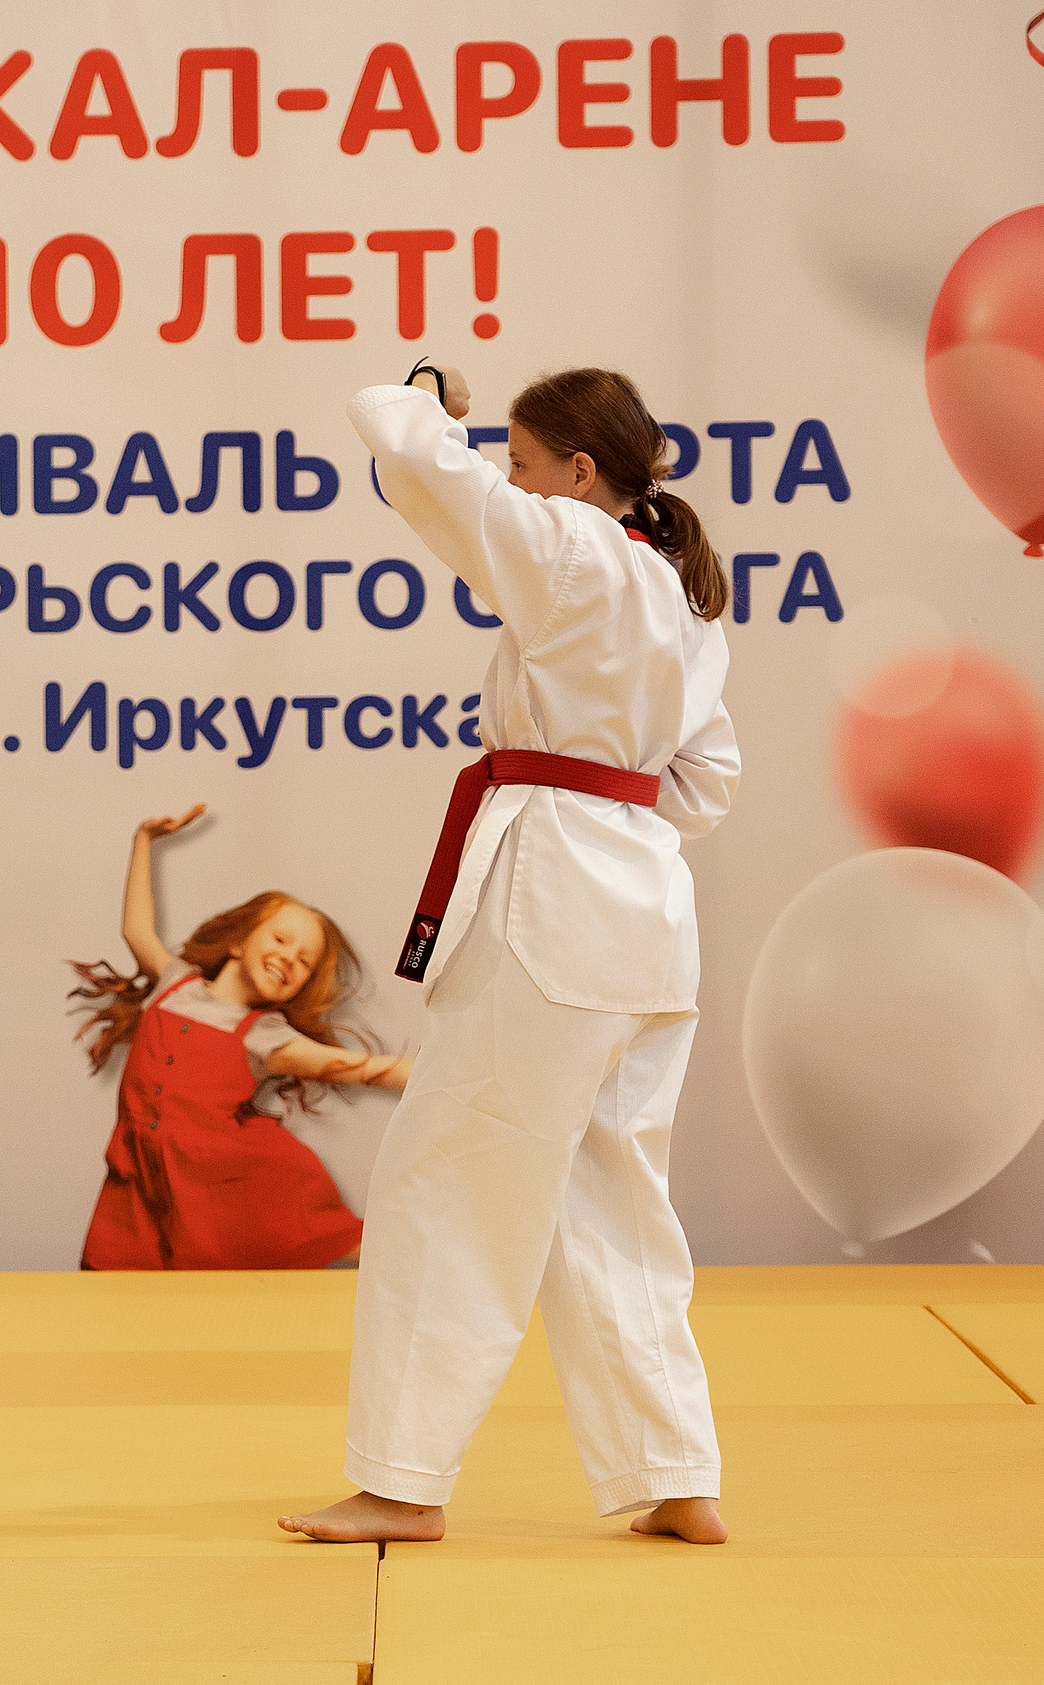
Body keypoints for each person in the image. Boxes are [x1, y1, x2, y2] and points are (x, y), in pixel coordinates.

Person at [281, 362, 741, 1548]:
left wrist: (429, 391)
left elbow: (404, 446)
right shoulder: (682, 598)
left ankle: (400, 1483)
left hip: (552, 902)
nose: (511, 482)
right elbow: (705, 787)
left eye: (523, 464)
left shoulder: (573, 548)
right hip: (646, 906)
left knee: (451, 1179)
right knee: (611, 1195)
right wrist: (607, 792)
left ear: (579, 474)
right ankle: (674, 1474)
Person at [74, 803, 410, 1271]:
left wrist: (456, 1072)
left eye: (305, 961)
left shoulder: (265, 1036)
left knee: (326, 1241)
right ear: (238, 941)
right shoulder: (174, 983)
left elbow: (361, 1069)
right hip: (137, 1176)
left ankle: (422, 1258)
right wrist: (143, 840)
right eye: (280, 939)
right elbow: (136, 929)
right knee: (115, 1276)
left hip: (216, 1180)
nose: (289, 957)